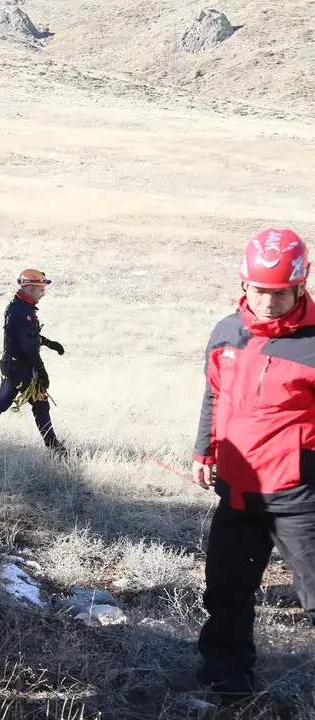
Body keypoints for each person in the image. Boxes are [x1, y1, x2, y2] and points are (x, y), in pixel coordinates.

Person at [191, 227, 315, 701]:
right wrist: (206, 449)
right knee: (226, 590)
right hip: (238, 489)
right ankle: (225, 677)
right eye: (260, 291)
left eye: (280, 293)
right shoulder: (226, 332)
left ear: (300, 287)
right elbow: (215, 395)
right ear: (244, 285)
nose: (268, 302)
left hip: (300, 497)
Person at [0, 269, 66, 454]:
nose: (43, 294)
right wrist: (41, 370)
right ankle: (54, 447)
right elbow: (28, 345)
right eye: (40, 290)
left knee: (3, 401)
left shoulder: (17, 307)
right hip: (21, 368)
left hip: (11, 365)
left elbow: (26, 337)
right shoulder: (22, 311)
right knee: (40, 403)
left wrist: (48, 343)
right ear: (29, 289)